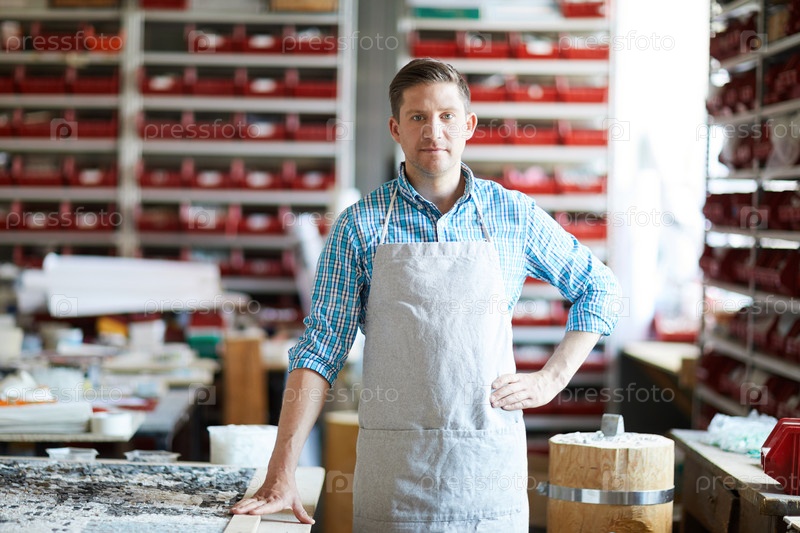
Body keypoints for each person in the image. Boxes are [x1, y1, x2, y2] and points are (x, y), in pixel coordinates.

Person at [231, 57, 620, 532]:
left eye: (446, 115)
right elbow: (319, 350)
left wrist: (551, 378)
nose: (433, 131)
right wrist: (280, 473)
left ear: (469, 125)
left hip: (487, 471)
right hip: (396, 476)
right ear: (396, 128)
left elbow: (599, 288)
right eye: (417, 117)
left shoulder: (513, 214)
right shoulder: (359, 225)